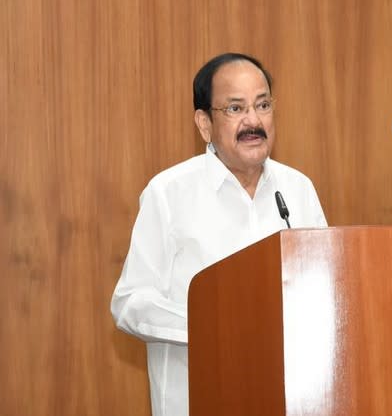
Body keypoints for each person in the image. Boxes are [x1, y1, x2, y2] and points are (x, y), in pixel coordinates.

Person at [111, 53, 327, 416]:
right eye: (235, 108)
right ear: (204, 123)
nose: (253, 121)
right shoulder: (169, 192)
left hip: (288, 400)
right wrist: (215, 327)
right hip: (197, 401)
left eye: (262, 105)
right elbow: (130, 304)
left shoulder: (298, 188)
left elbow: (324, 289)